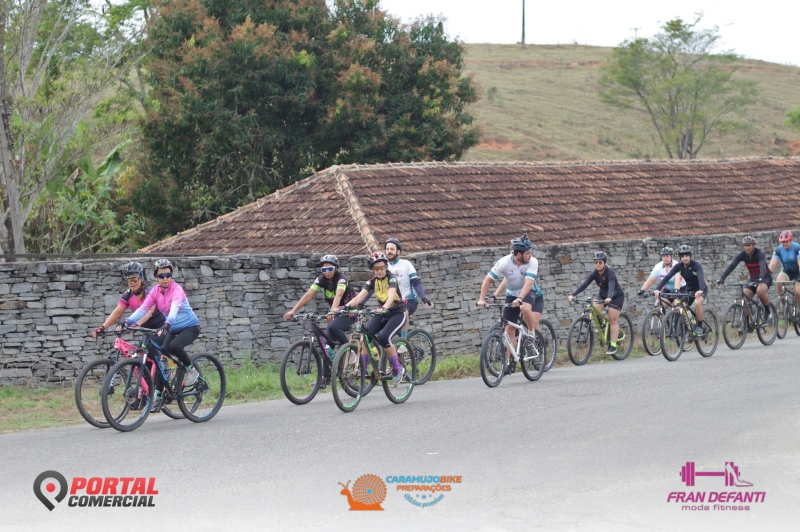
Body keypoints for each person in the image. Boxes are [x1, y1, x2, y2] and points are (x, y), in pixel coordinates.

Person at [126, 259, 201, 412]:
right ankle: (158, 397)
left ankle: (191, 370)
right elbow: (143, 310)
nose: (165, 278)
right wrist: (127, 321)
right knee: (161, 361)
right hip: (173, 328)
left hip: (190, 326)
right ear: (156, 277)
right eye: (161, 276)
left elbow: (174, 308)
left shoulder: (177, 289)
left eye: (168, 275)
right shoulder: (155, 292)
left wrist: (167, 323)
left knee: (175, 346)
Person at [284, 254, 357, 385]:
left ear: (336, 268)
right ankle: (325, 378)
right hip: (336, 313)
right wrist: (293, 311)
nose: (327, 272)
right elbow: (308, 295)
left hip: (349, 312)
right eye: (324, 269)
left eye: (330, 269)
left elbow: (338, 295)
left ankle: (350, 350)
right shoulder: (321, 280)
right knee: (327, 347)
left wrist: (332, 311)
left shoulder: (341, 279)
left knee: (333, 327)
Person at [477, 234, 542, 374]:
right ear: (518, 254)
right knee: (509, 329)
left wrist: (520, 298)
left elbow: (529, 282)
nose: (530, 255)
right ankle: (511, 361)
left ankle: (531, 335)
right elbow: (488, 280)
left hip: (528, 291)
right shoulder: (504, 262)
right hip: (511, 294)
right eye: (527, 253)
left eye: (530, 252)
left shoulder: (532, 262)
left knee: (525, 307)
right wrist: (481, 299)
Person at [344, 252, 407, 383]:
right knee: (365, 337)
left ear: (386, 267)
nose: (379, 271)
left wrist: (385, 307)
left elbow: (391, 296)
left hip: (397, 312)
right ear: (372, 270)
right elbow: (359, 297)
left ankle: (397, 368)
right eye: (376, 268)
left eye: (382, 267)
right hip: (382, 312)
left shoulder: (391, 279)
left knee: (384, 338)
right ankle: (363, 368)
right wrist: (345, 307)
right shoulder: (372, 282)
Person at [569, 251, 625, 355]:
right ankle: (603, 324)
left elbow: (612, 286)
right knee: (593, 308)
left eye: (600, 262)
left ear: (604, 263)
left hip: (616, 296)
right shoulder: (595, 273)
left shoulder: (610, 273)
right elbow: (585, 283)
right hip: (603, 295)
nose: (598, 264)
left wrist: (609, 297)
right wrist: (573, 294)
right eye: (596, 262)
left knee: (613, 319)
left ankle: (613, 345)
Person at [92, 262, 165, 338]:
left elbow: (149, 312)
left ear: (141, 278)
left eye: (135, 279)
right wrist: (103, 327)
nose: (132, 283)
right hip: (147, 331)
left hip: (161, 328)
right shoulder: (128, 294)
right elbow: (117, 312)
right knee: (141, 345)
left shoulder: (149, 292)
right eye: (129, 280)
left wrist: (135, 324)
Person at [654, 245, 708, 336]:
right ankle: (686, 328)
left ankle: (699, 326)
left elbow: (700, 277)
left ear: (690, 256)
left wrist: (700, 290)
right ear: (680, 258)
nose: (685, 258)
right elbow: (667, 277)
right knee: (681, 308)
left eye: (687, 256)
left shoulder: (696, 265)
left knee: (697, 303)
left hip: (700, 289)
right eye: (682, 256)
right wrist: (657, 289)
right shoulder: (679, 266)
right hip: (689, 290)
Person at [384, 237, 433, 337]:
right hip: (392, 302)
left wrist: (424, 298)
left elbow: (416, 283)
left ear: (398, 252)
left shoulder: (406, 264)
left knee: (404, 312)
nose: (389, 251)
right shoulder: (384, 267)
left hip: (409, 300)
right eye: (387, 249)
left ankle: (404, 341)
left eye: (392, 249)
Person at [717, 235, 772, 324]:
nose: (747, 248)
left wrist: (761, 278)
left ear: (753, 245)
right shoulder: (742, 255)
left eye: (749, 245)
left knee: (760, 291)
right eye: (745, 246)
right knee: (743, 298)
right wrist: (722, 278)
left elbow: (762, 266)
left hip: (765, 277)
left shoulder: (759, 253)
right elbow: (732, 266)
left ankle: (768, 313)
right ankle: (747, 324)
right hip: (753, 279)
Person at [769, 230, 800, 316]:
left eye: (786, 241)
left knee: (798, 292)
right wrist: (767, 275)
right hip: (787, 271)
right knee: (779, 282)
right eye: (783, 242)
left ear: (791, 240)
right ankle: (783, 305)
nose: (785, 244)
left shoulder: (797, 247)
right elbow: (773, 264)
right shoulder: (779, 249)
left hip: (798, 272)